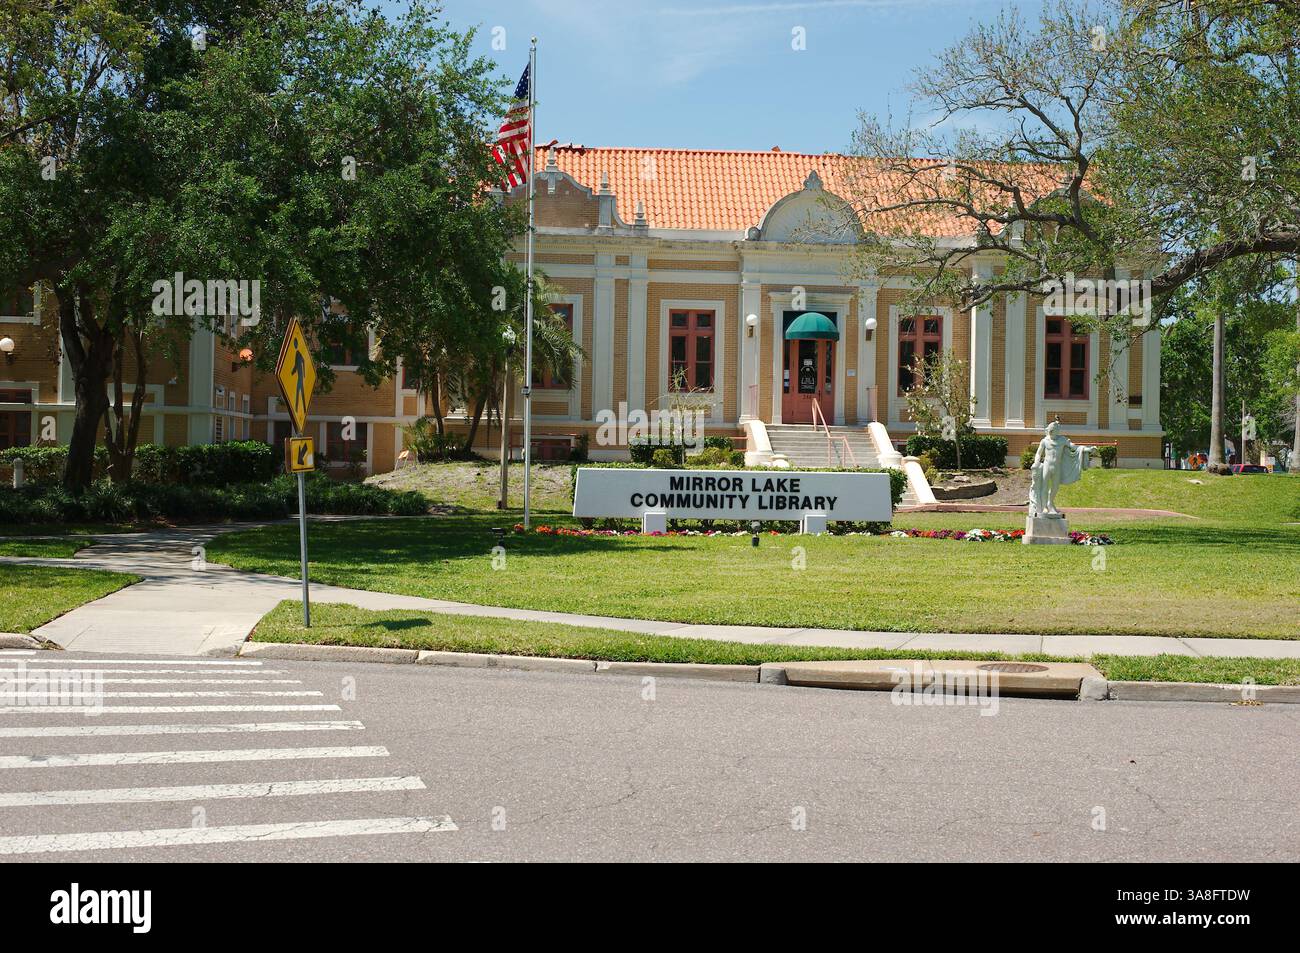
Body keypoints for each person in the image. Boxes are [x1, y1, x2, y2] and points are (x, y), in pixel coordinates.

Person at [1028, 421, 1094, 518]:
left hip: (1057, 467)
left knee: (1055, 487)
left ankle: (1050, 503)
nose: (1051, 432)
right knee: (1045, 486)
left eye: (1054, 430)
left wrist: (1086, 449)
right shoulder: (1045, 441)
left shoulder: (1062, 440)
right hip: (1047, 465)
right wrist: (1037, 462)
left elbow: (1073, 447)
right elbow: (1038, 453)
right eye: (1051, 430)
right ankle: (1044, 506)